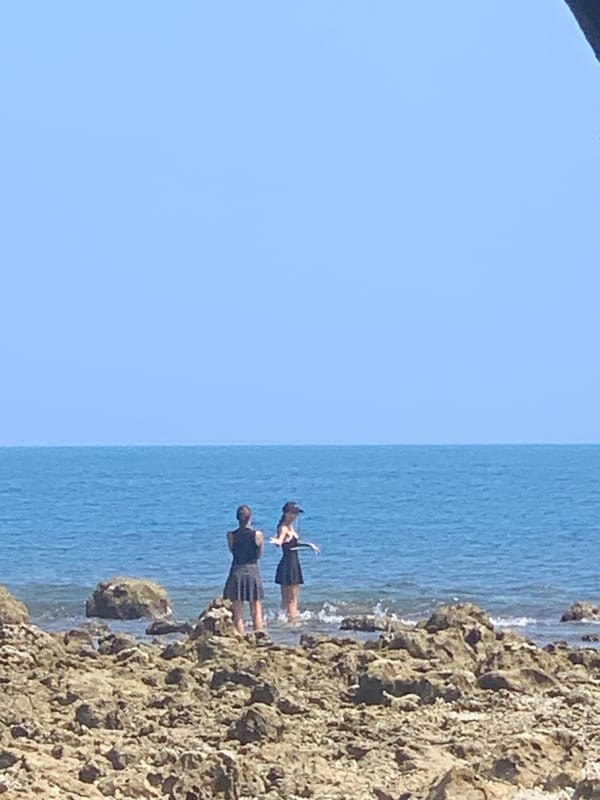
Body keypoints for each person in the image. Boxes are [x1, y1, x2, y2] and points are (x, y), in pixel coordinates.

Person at [270, 501, 320, 620]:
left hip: (293, 562)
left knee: (292, 596)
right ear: (286, 513)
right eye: (293, 513)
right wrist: (277, 542)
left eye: (296, 513)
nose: (295, 516)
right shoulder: (283, 528)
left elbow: (294, 543)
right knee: (290, 597)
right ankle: (292, 620)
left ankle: (286, 618)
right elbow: (281, 540)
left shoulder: (290, 527)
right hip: (288, 563)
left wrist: (309, 545)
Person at [222, 504, 264, 634]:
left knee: (238, 611)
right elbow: (259, 555)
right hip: (252, 570)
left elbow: (232, 551)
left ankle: (241, 637)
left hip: (236, 570)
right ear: (250, 518)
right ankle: (259, 637)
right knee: (256, 609)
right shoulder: (257, 534)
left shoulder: (231, 535)